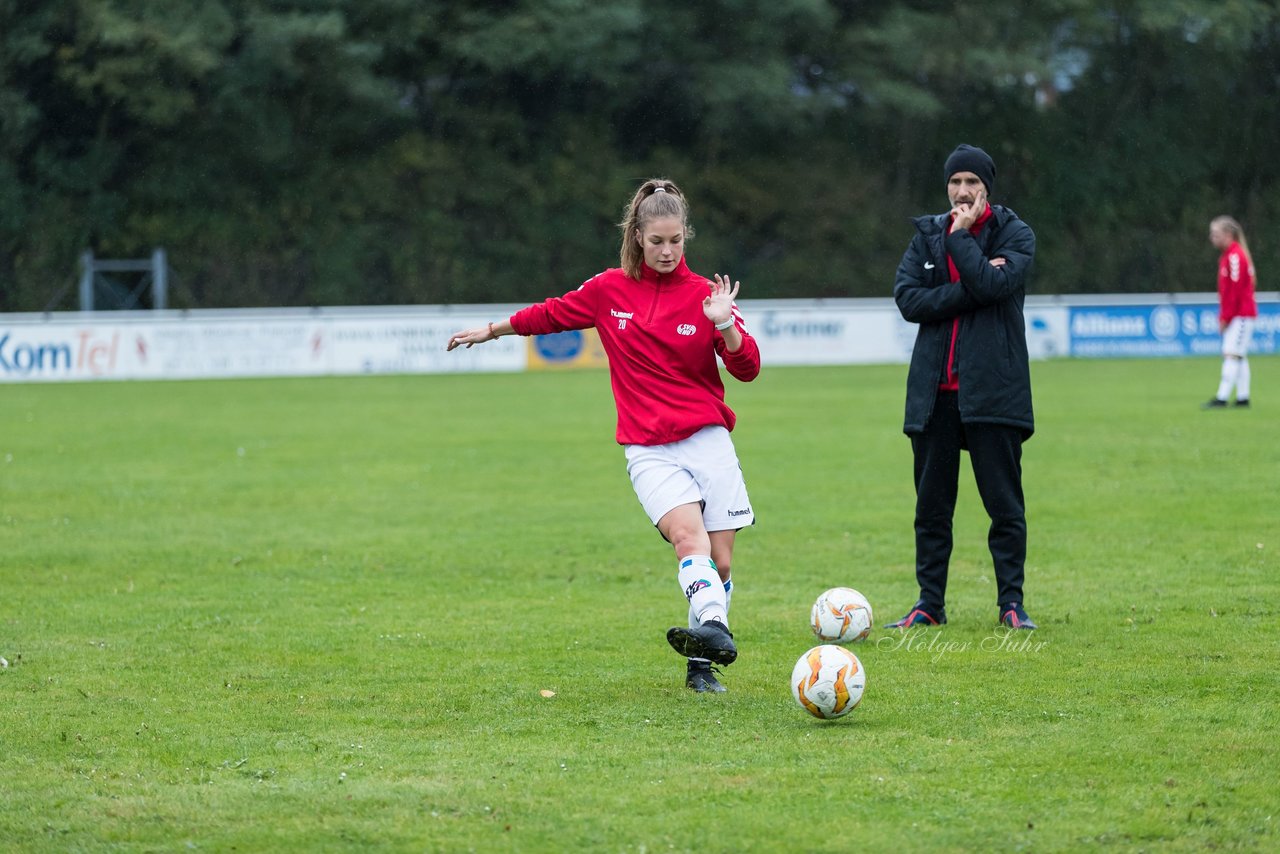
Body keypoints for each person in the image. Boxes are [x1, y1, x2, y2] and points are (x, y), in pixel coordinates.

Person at [446, 178, 761, 692]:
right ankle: (710, 647)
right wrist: (493, 330)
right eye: (656, 240)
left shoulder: (709, 296)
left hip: (707, 439)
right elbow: (551, 313)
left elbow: (747, 370)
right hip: (648, 448)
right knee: (689, 539)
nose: (666, 251)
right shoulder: (608, 289)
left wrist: (725, 327)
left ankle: (704, 649)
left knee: (720, 559)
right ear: (637, 236)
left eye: (676, 240)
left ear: (686, 237)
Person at [886, 144, 1039, 631]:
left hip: (994, 392)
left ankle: (1011, 604)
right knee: (931, 510)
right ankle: (929, 604)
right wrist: (970, 289)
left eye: (972, 182)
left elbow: (994, 288)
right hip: (935, 396)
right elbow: (909, 300)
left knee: (1005, 507)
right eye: (955, 182)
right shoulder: (924, 236)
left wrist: (960, 240)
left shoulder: (1015, 234)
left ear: (986, 188)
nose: (962, 191)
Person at [1201, 216, 1257, 409]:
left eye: (1216, 234)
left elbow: (1234, 291)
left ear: (1228, 234)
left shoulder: (1235, 256)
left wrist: (1226, 317)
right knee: (1238, 355)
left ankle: (1222, 398)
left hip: (1240, 314)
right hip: (1238, 314)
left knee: (1231, 354)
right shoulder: (1229, 255)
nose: (1212, 238)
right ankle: (1243, 398)